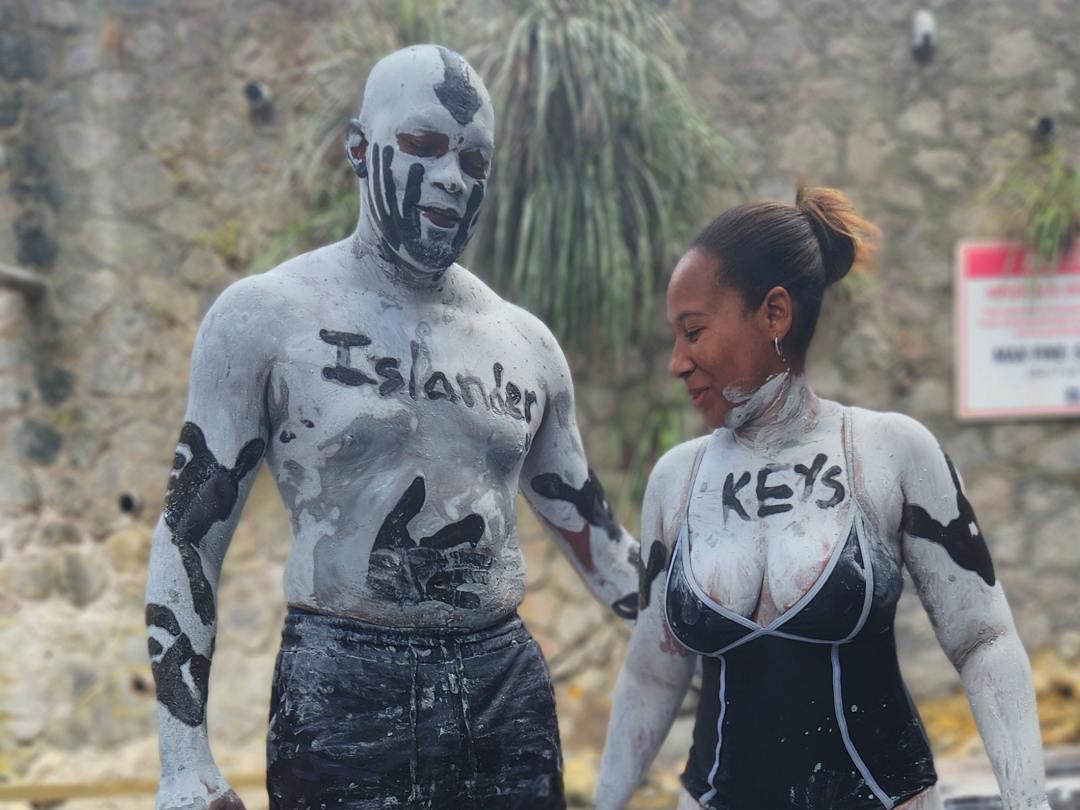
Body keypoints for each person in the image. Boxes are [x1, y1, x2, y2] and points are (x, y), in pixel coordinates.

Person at [145, 45, 641, 810]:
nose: (452, 175)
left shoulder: (525, 344)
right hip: (342, 687)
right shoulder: (268, 317)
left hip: (501, 685)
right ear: (358, 148)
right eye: (422, 144)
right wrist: (182, 760)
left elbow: (595, 536)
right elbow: (189, 535)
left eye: (474, 159)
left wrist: (714, 612)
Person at [594, 187, 1050, 810]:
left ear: (774, 314)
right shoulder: (677, 481)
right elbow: (652, 672)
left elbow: (984, 640)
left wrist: (1028, 802)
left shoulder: (890, 452)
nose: (677, 362)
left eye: (694, 331)